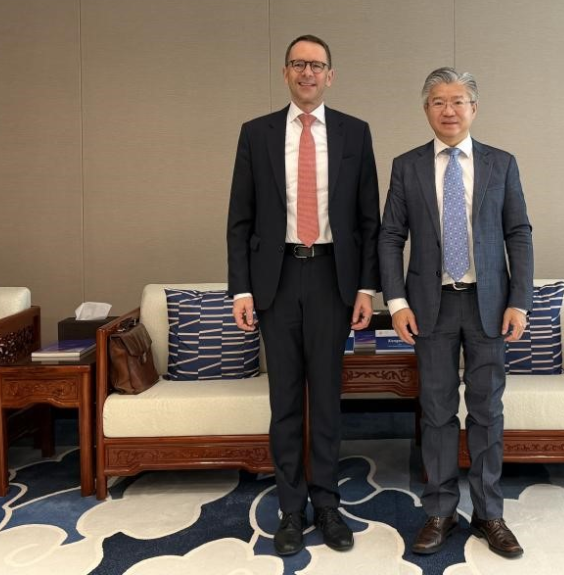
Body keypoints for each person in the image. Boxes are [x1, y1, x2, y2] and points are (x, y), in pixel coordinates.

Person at [227, 34, 380, 556]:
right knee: (285, 401)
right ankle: (290, 510)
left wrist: (366, 287)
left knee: (328, 401)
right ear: (285, 72)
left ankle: (328, 504)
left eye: (317, 65)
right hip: (277, 278)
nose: (307, 72)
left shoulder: (355, 132)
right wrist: (241, 288)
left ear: (330, 75)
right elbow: (240, 219)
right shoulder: (257, 133)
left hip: (333, 278)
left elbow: (368, 219)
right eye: (298, 63)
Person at [379, 67, 533, 559]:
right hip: (431, 306)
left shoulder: (501, 163)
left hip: (490, 304)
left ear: (473, 109)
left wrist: (519, 301)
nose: (449, 110)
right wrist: (396, 302)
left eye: (458, 101)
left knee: (487, 411)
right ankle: (440, 511)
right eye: (438, 102)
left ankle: (489, 513)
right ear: (426, 109)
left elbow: (518, 233)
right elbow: (390, 236)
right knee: (438, 411)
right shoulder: (406, 166)